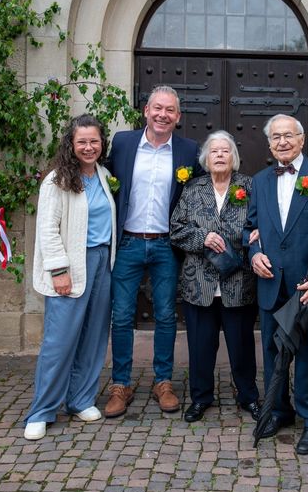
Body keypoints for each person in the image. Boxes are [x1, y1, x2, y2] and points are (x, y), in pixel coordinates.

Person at [247, 113, 308, 455]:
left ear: (302, 140)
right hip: (271, 281)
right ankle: (278, 411)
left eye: (289, 135)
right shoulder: (259, 181)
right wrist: (254, 252)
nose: (283, 142)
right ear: (270, 143)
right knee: (273, 350)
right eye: (276, 137)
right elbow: (251, 228)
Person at [104, 85, 202, 417]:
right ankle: (120, 384)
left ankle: (164, 382)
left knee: (164, 316)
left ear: (178, 116)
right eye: (157, 108)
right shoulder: (122, 143)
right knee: (121, 317)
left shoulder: (189, 151)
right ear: (146, 110)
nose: (163, 115)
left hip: (166, 245)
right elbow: (98, 176)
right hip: (129, 242)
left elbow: (202, 196)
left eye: (170, 110)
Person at [24, 114, 117, 441]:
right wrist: (59, 270)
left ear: (101, 143)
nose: (89, 147)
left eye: (94, 141)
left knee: (93, 337)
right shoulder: (57, 180)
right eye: (82, 142)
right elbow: (47, 230)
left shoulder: (105, 176)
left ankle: (80, 399)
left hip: (103, 261)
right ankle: (42, 410)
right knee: (59, 341)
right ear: (71, 144)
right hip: (72, 264)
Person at [170, 130, 261, 423]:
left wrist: (251, 236)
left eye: (225, 151)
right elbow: (176, 230)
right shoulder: (193, 189)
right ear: (206, 159)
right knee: (200, 345)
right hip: (200, 283)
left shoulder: (248, 186)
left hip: (238, 282)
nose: (220, 155)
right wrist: (203, 237)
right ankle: (200, 397)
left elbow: (260, 225)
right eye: (214, 151)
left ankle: (248, 396)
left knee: (242, 345)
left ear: (233, 157)